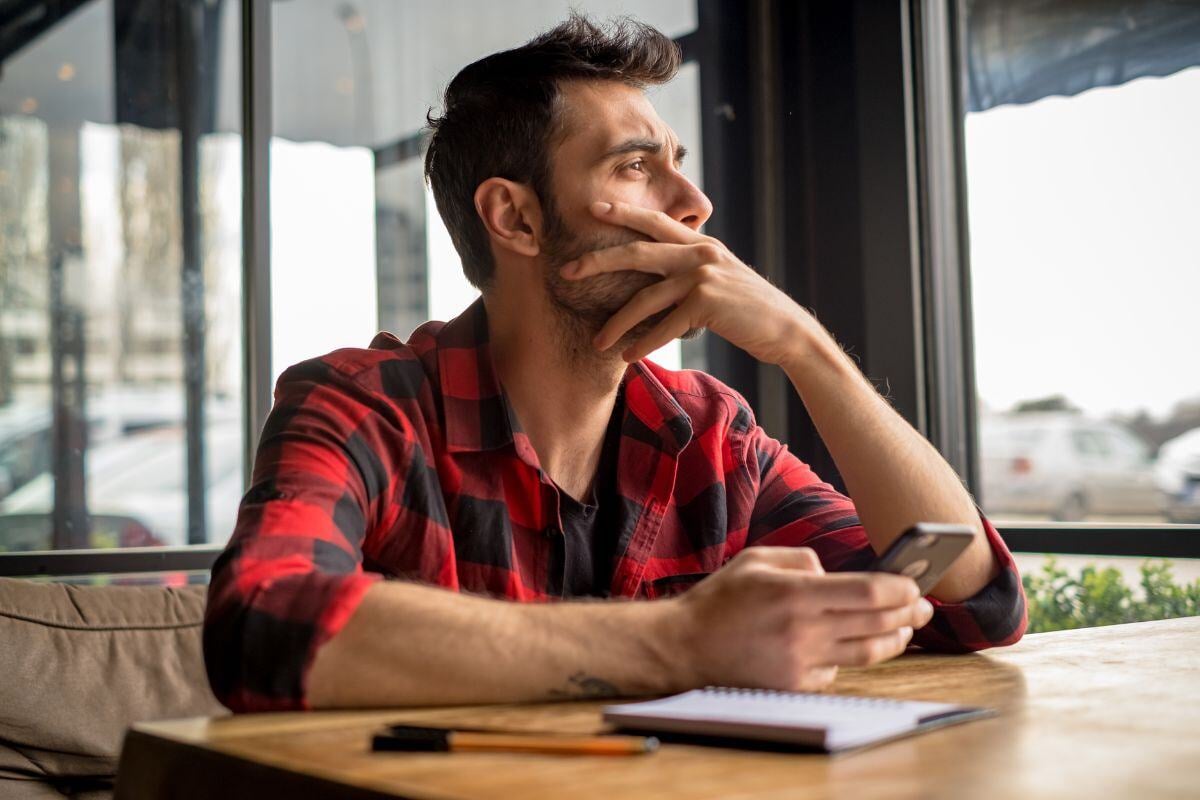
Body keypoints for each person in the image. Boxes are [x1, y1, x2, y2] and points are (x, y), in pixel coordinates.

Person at [203, 14, 1026, 712]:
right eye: (636, 166)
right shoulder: (362, 407)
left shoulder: (709, 432)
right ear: (516, 218)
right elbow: (262, 627)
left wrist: (805, 350)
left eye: (679, 163)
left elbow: (974, 609)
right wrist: (685, 641)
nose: (692, 204)